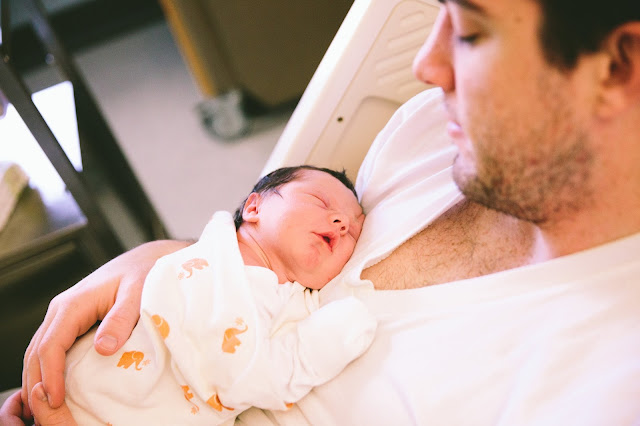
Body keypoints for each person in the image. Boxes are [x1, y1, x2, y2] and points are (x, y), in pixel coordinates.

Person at [7, 0, 640, 423]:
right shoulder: (435, 133)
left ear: (618, 66)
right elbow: (275, 264)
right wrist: (163, 260)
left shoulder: (604, 384)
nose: (426, 64)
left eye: (472, 32)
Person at [64, 165, 374, 425]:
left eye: (353, 232)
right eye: (320, 201)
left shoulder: (300, 309)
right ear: (254, 208)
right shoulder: (207, 260)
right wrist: (347, 325)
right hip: (78, 396)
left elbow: (252, 378)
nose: (341, 223)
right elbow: (245, 376)